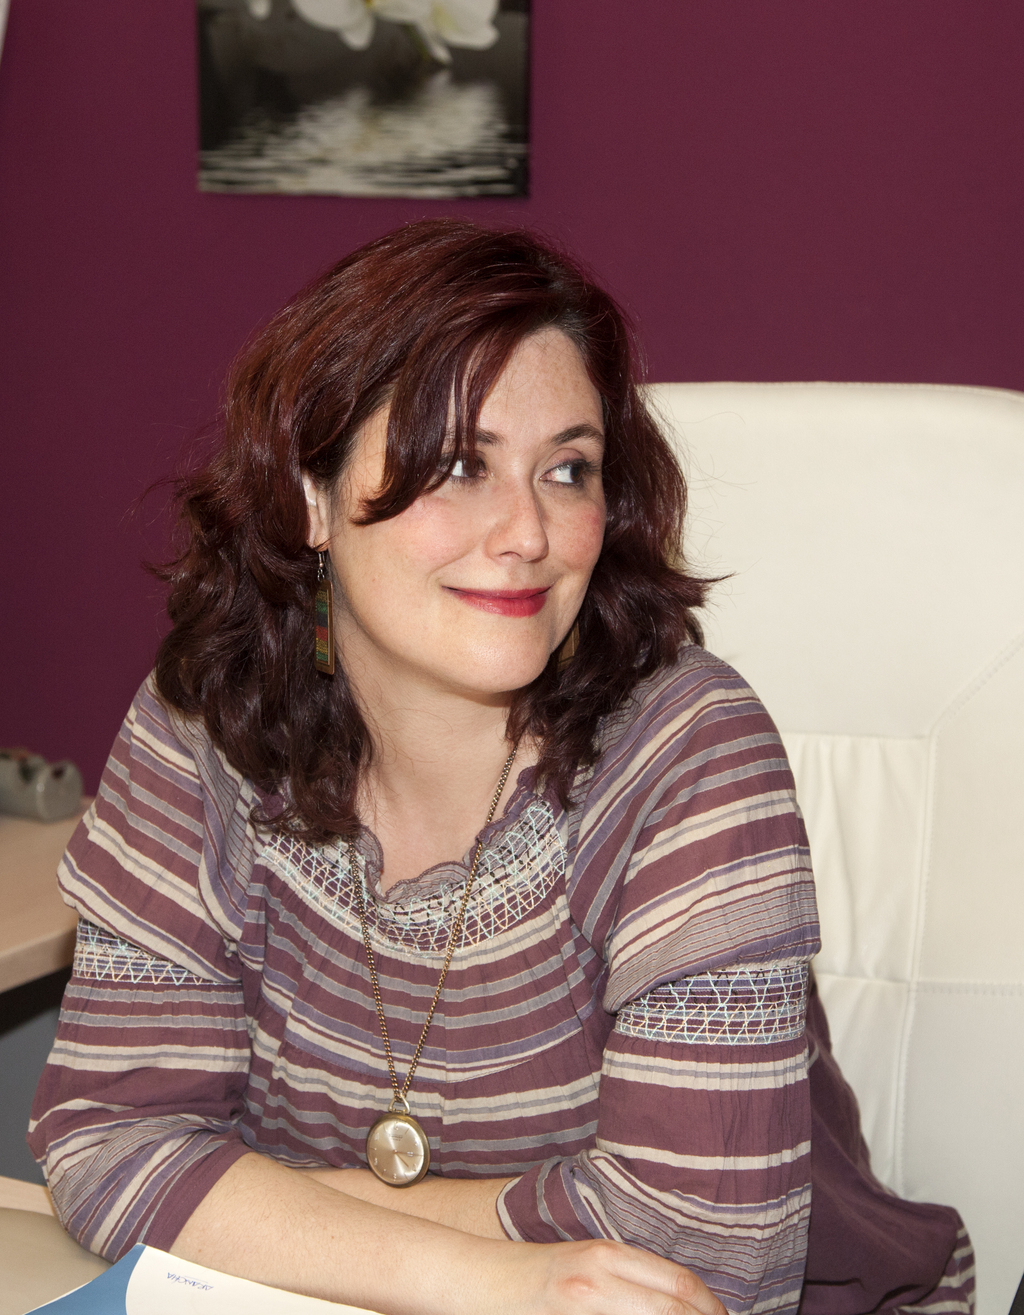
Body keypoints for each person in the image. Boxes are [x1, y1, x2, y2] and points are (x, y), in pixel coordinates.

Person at [30, 220, 973, 1315]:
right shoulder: (205, 724)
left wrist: (265, 1205)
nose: (528, 531)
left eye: (567, 470)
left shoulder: (689, 753)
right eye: (460, 465)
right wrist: (490, 1276)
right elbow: (108, 1142)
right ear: (310, 495)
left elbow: (698, 1258)